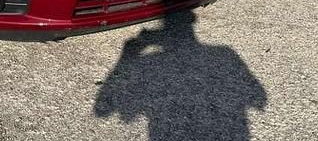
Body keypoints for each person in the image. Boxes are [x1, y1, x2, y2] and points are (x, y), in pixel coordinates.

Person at [94, 10, 267, 140]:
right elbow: (259, 98)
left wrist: (127, 55)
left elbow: (103, 110)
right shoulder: (224, 53)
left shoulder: (149, 61)